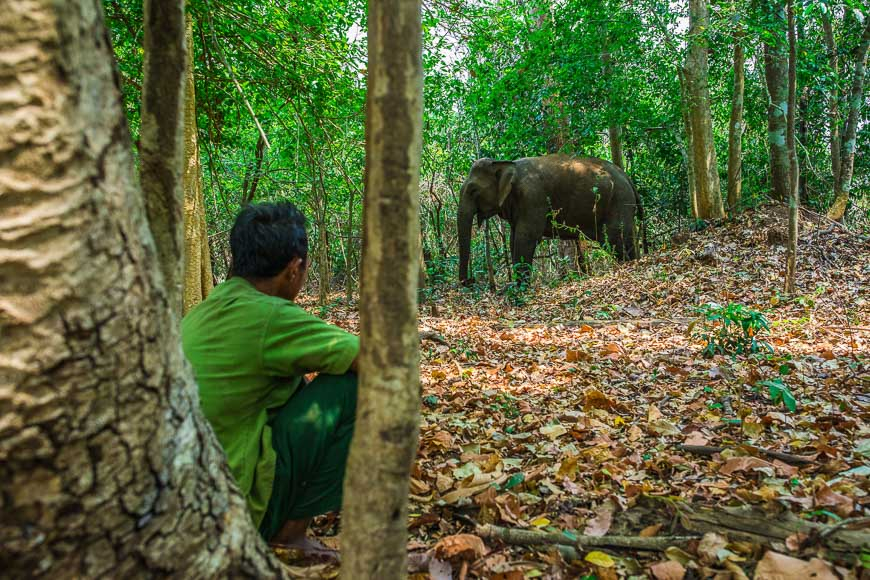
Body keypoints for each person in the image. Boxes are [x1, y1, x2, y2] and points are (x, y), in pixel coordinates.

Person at [182, 201, 358, 555]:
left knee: (294, 386)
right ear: (294, 269)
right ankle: (288, 536)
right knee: (353, 388)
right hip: (232, 515)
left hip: (184, 511)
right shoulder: (270, 316)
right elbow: (380, 361)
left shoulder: (203, 311)